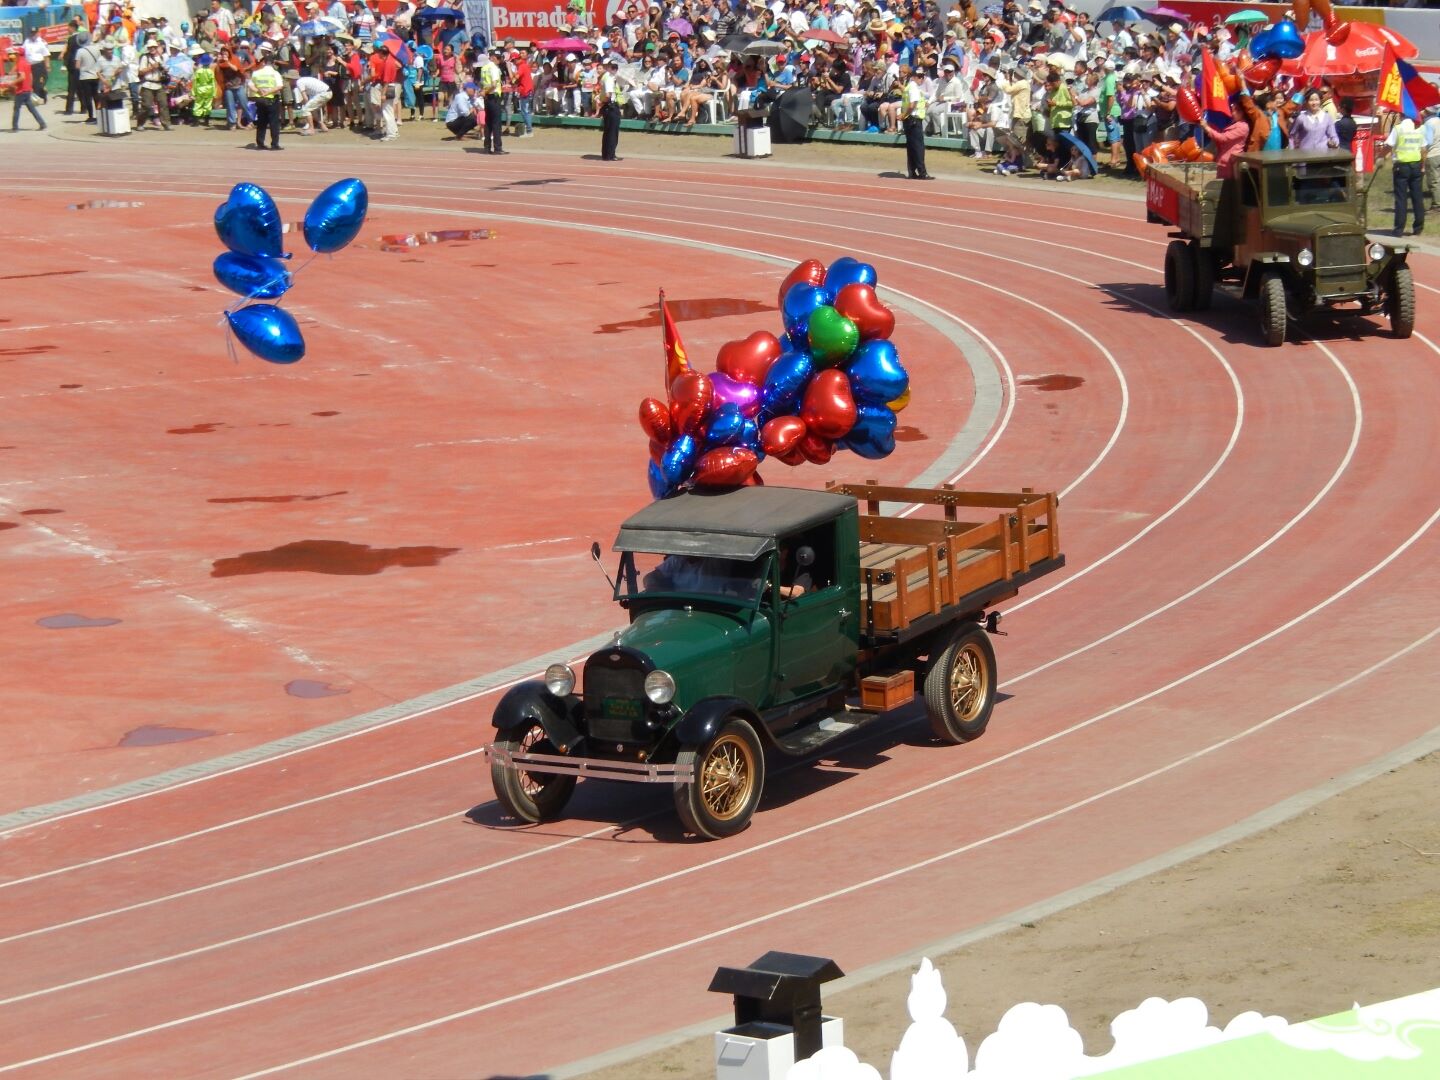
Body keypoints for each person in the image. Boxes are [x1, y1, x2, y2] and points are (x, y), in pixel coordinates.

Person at [1380, 115, 1429, 237]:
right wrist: (1423, 166)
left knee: (1401, 198)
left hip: (1401, 166)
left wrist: (1380, 156)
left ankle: (1399, 229)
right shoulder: (1420, 128)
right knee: (1417, 197)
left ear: (1402, 115)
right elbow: (1423, 149)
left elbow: (1389, 145)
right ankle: (1418, 227)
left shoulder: (1398, 129)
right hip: (1416, 165)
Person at [246, 45, 284, 149]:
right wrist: (268, 92)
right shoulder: (275, 73)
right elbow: (280, 86)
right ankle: (274, 144)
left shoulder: (256, 73)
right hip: (272, 99)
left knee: (261, 122)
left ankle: (260, 143)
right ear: (272, 63)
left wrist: (259, 91)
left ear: (263, 62)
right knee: (274, 122)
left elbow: (250, 84)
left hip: (259, 99)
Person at [5, 47, 48, 131]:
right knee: (32, 108)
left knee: (16, 109)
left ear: (17, 54)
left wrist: (12, 83)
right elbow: (30, 75)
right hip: (27, 89)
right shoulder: (26, 62)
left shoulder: (20, 63)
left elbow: (22, 77)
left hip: (21, 90)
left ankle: (15, 127)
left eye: (15, 54)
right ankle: (42, 123)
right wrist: (30, 86)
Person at [901, 66, 931, 180]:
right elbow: (913, 104)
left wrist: (904, 115)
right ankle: (922, 173)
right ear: (914, 76)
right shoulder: (913, 87)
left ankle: (912, 171)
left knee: (911, 147)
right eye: (919, 76)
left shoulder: (909, 86)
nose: (921, 79)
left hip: (909, 119)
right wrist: (905, 115)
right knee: (918, 147)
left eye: (922, 76)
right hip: (913, 119)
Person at [136, 41, 172, 130]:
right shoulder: (145, 58)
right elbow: (141, 71)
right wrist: (152, 67)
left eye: (154, 47)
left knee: (163, 103)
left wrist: (164, 71)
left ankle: (166, 123)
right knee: (146, 105)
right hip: (147, 84)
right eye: (150, 47)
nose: (152, 49)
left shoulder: (161, 57)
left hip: (159, 84)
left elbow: (164, 69)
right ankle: (140, 123)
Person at [478, 49, 505, 153]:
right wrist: (486, 91)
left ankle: (487, 147)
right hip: (493, 96)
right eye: (498, 58)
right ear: (493, 57)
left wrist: (484, 91)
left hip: (487, 98)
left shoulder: (484, 68)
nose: (499, 60)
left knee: (488, 122)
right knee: (496, 123)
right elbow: (494, 84)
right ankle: (498, 148)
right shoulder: (493, 68)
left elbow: (482, 83)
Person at [598, 57, 625, 161]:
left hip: (609, 106)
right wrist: (603, 102)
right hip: (611, 106)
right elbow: (609, 94)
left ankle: (606, 154)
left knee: (608, 131)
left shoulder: (608, 77)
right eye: (612, 67)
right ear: (608, 67)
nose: (614, 69)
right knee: (612, 132)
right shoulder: (609, 78)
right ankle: (610, 154)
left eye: (615, 67)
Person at [22, 29, 50, 107]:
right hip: (28, 65)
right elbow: (22, 51)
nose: (33, 35)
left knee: (36, 83)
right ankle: (40, 95)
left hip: (38, 65)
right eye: (32, 33)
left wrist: (47, 66)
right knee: (30, 83)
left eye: (35, 33)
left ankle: (36, 100)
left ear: (38, 33)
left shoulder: (41, 42)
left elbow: (46, 55)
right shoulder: (27, 41)